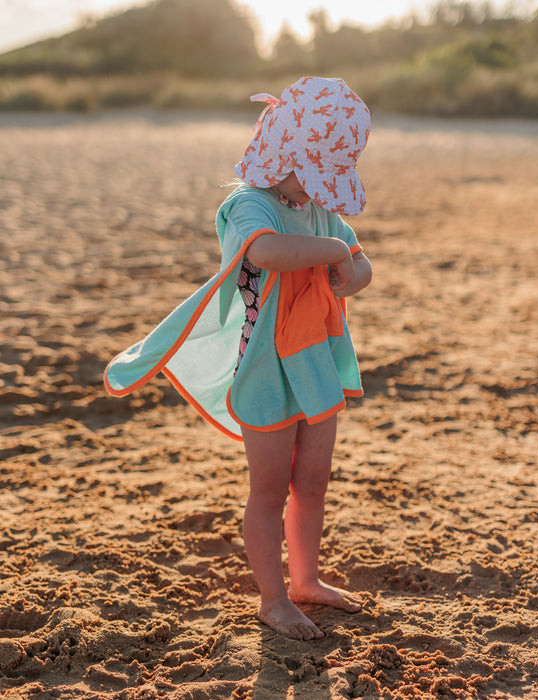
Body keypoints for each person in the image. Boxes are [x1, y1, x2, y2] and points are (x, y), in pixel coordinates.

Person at [104, 76, 372, 641]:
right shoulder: (248, 205)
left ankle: (305, 580)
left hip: (317, 361)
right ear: (285, 157)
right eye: (317, 176)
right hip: (266, 370)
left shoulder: (319, 208)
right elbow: (268, 252)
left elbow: (359, 260)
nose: (319, 192)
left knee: (313, 481)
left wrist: (354, 271)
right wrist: (329, 252)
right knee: (270, 488)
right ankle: (273, 600)